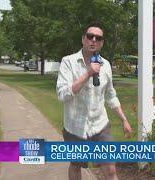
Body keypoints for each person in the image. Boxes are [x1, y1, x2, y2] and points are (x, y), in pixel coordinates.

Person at [56, 22, 133, 180]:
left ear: (102, 43)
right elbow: (62, 95)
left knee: (110, 169)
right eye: (90, 36)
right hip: (74, 127)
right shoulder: (68, 62)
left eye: (98, 38)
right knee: (76, 166)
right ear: (83, 39)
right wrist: (88, 73)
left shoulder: (106, 65)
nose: (93, 40)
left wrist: (124, 120)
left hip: (100, 126)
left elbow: (111, 95)